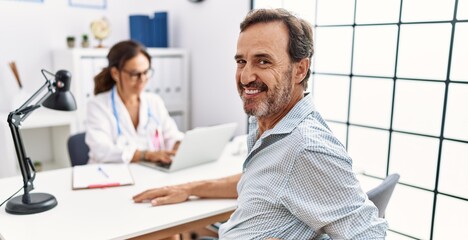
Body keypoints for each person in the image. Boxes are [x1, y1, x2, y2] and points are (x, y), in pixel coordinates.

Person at [133, 8, 388, 239]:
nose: (245, 76)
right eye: (241, 61)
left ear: (300, 69)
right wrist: (188, 189)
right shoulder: (270, 124)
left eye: (263, 61)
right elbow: (261, 181)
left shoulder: (305, 147)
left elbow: (370, 235)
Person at [85, 40, 184, 164]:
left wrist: (178, 145)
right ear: (115, 73)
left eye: (146, 72)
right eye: (134, 74)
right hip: (109, 175)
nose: (142, 79)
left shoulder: (154, 101)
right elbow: (102, 151)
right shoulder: (98, 105)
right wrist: (145, 155)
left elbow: (172, 135)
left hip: (149, 173)